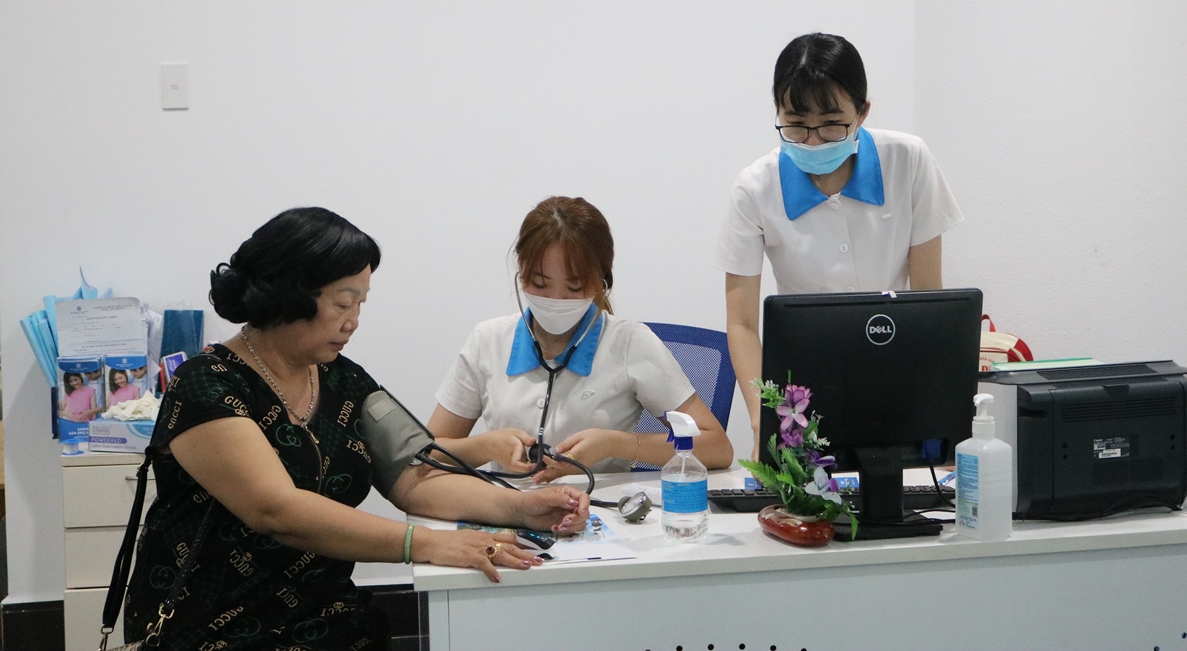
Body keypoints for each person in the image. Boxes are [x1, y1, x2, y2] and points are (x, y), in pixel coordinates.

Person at [124, 208, 589, 651]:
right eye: (343, 303)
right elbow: (276, 509)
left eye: (361, 304)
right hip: (213, 626)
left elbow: (413, 476)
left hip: (323, 618)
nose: (354, 321)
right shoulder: (206, 384)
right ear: (288, 294)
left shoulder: (342, 379)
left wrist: (522, 509)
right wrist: (429, 544)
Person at [714, 33, 964, 452]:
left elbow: (927, 301)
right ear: (777, 110)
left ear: (863, 112)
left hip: (898, 375)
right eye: (796, 123)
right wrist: (764, 420)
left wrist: (936, 412)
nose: (813, 140)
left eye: (831, 123)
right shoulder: (755, 188)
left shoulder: (909, 160)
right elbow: (741, 324)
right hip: (802, 395)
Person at [428, 196, 733, 481]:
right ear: (521, 274)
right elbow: (427, 452)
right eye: (540, 283)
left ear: (601, 282)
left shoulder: (630, 343)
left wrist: (617, 444)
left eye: (574, 287)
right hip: (511, 508)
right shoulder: (488, 341)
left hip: (597, 513)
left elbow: (717, 448)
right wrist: (485, 447)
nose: (556, 299)